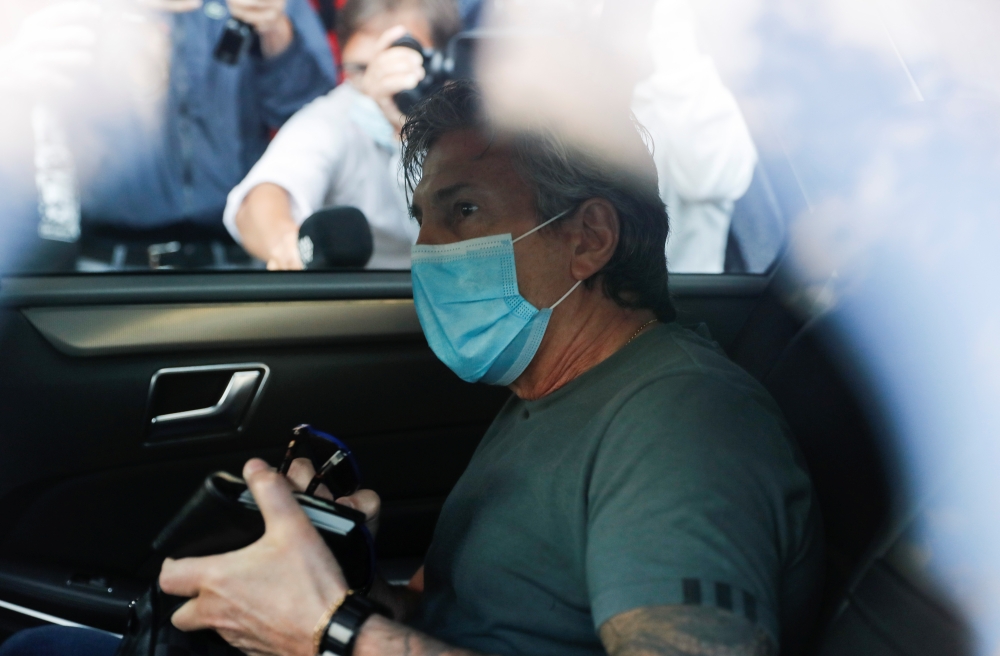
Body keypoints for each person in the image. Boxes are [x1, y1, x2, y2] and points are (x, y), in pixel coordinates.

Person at [0, 81, 823, 656]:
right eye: (422, 221)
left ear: (590, 238)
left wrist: (332, 633)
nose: (429, 252)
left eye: (463, 211)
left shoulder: (682, 427)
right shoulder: (549, 392)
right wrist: (345, 583)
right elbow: (474, 613)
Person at [64, 0, 337, 270]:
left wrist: (275, 29)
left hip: (234, 255)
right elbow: (40, 92)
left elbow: (312, 117)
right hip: (107, 256)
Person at [222, 0, 460, 270]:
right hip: (365, 296)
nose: (377, 83)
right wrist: (286, 243)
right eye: (360, 69)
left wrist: (414, 135)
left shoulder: (481, 117)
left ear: (446, 62)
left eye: (396, 63)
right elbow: (265, 195)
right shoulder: (335, 114)